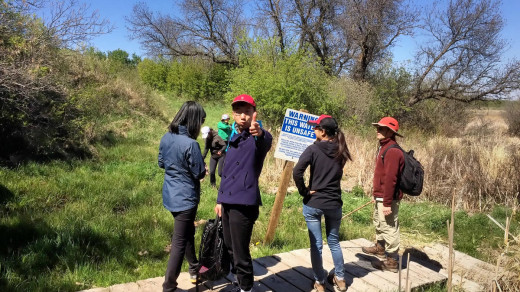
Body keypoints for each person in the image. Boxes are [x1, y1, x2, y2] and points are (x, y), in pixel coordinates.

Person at [214, 94, 272, 292]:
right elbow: (227, 172)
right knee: (230, 246)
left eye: (247, 112)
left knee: (240, 251)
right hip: (228, 200)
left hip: (244, 204)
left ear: (254, 114)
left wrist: (260, 132)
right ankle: (238, 283)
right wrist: (219, 200)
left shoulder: (257, 138)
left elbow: (265, 141)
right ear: (233, 114)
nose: (243, 116)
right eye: (238, 112)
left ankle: (246, 288)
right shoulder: (232, 136)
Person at [292, 114, 352, 292]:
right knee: (334, 242)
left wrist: (304, 191)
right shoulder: (341, 149)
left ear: (323, 131)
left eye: (316, 127)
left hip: (315, 202)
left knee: (316, 245)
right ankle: (340, 279)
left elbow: (297, 172)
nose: (313, 129)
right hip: (334, 202)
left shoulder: (313, 149)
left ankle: (319, 282)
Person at [158, 101, 207, 292]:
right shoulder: (191, 144)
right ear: (195, 121)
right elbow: (199, 173)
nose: (201, 124)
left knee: (186, 233)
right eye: (201, 121)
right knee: (179, 242)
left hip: (170, 195)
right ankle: (169, 286)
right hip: (185, 198)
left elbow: (162, 163)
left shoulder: (166, 137)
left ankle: (194, 268)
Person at [361, 116, 405, 273]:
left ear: (390, 132)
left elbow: (390, 180)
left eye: (381, 128)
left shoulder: (392, 151)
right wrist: (376, 194)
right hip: (381, 196)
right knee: (379, 222)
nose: (377, 131)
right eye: (377, 128)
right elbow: (382, 176)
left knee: (389, 227)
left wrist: (386, 202)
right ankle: (380, 249)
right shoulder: (384, 147)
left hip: (388, 198)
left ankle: (392, 262)